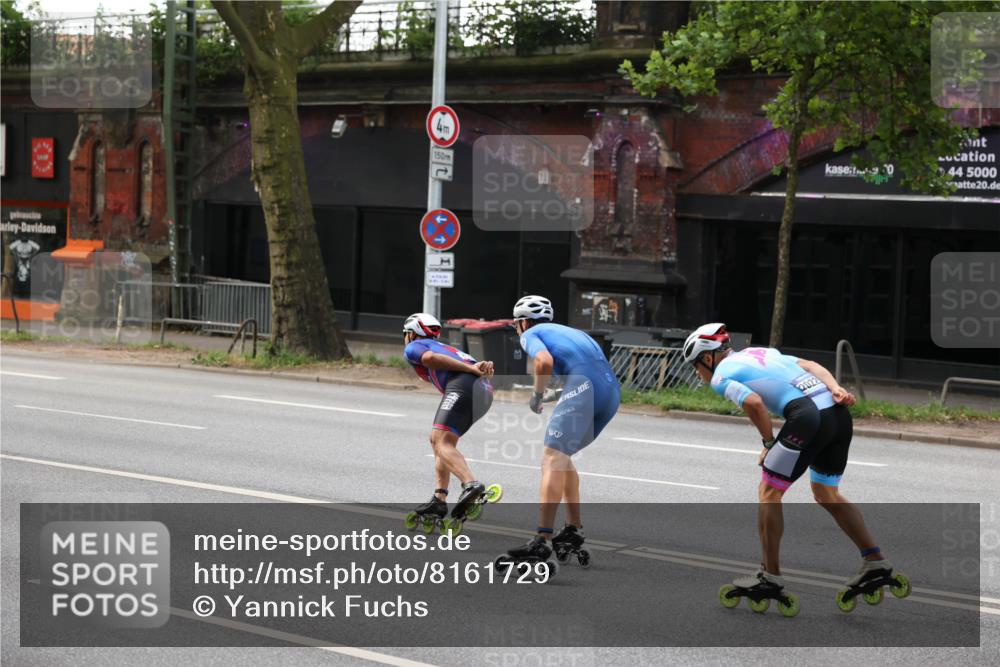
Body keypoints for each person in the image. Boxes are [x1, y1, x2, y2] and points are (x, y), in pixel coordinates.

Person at [683, 323, 895, 600]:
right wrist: (836, 388)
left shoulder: (720, 376)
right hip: (837, 414)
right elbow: (810, 365)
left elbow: (754, 403)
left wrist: (769, 444)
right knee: (826, 492)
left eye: (695, 366)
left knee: (769, 491)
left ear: (708, 358)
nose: (697, 374)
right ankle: (874, 560)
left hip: (808, 418)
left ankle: (769, 576)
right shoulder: (759, 352)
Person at [502, 295, 620, 565]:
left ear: (524, 322)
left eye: (517, 324)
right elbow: (587, 371)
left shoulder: (531, 332)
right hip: (610, 394)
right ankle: (572, 529)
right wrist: (554, 395)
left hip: (584, 390)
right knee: (563, 457)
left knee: (551, 458)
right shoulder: (573, 332)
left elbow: (543, 362)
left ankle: (542, 540)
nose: (518, 329)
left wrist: (536, 394)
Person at [402, 313, 495, 526]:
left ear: (410, 334)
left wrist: (469, 369)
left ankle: (470, 484)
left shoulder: (416, 346)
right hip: (484, 393)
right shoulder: (447, 348)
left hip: (463, 386)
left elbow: (430, 360)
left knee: (440, 441)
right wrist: (477, 367)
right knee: (440, 441)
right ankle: (439, 498)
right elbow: (479, 368)